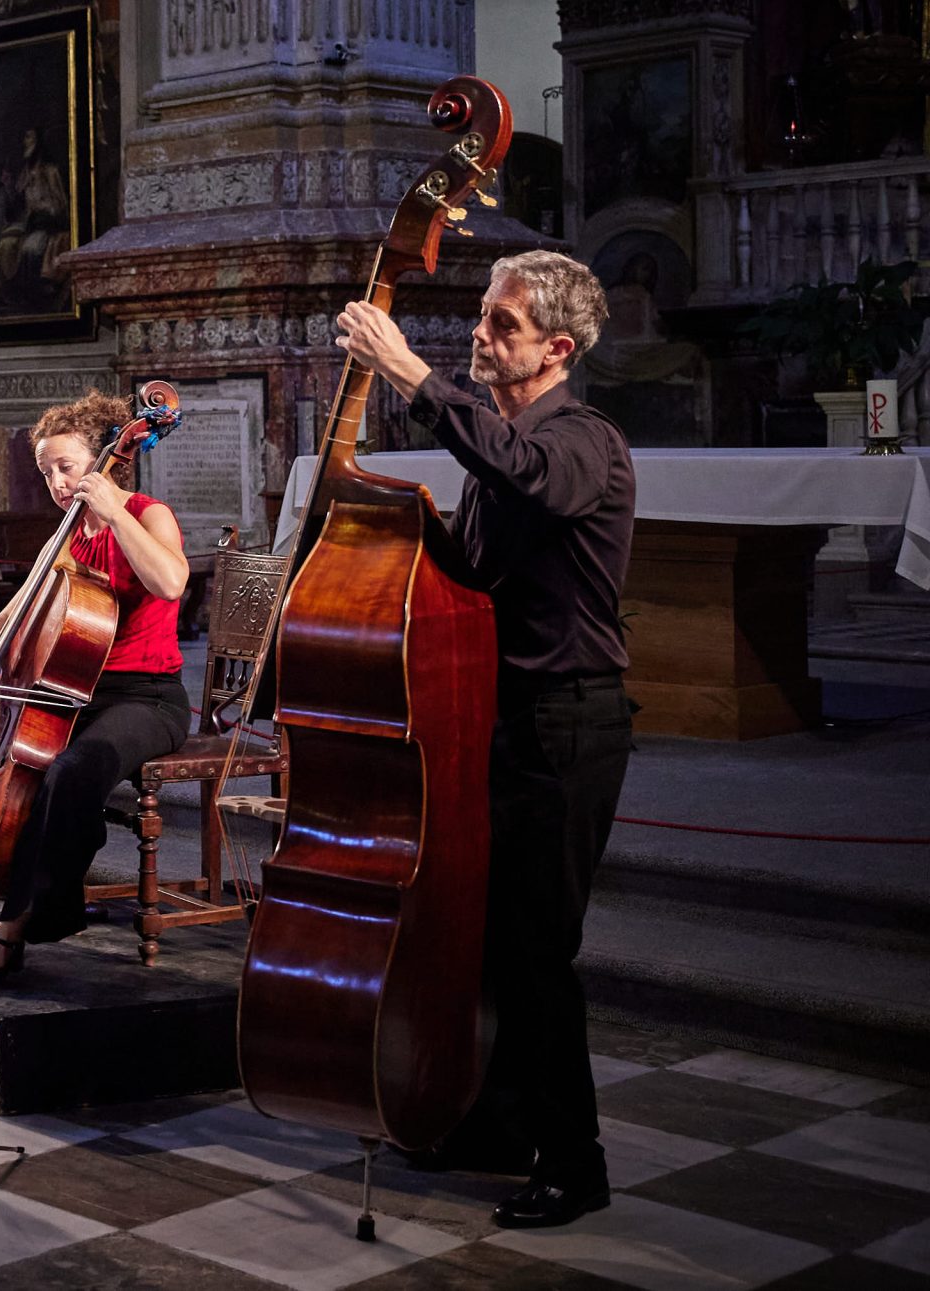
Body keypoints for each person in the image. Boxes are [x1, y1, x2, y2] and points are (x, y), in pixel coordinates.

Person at [333, 248, 635, 1232]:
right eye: (480, 316)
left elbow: (531, 482)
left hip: (567, 721)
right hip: (500, 715)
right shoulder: (502, 447)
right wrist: (378, 525)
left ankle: (575, 1162)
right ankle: (504, 1125)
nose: (477, 334)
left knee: (542, 952)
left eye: (500, 325)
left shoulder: (581, 441)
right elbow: (470, 567)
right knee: (500, 942)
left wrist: (416, 381)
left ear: (555, 347)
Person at [0, 394, 191, 988]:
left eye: (66, 467)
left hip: (147, 697)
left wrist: (115, 514)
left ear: (104, 460)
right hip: (68, 692)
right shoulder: (65, 532)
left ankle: (18, 923)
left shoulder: (146, 513)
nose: (58, 482)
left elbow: (169, 582)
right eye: (46, 472)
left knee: (73, 772)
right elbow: (26, 600)